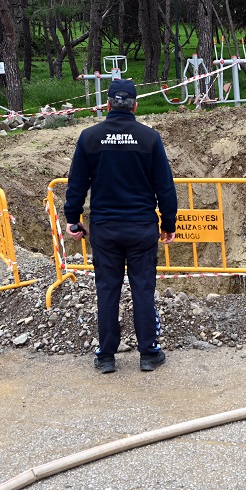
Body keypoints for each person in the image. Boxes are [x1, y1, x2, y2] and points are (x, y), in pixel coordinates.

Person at [64, 79, 177, 373]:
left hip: (105, 228)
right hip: (141, 227)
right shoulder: (149, 138)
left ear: (108, 104)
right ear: (136, 106)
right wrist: (168, 223)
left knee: (107, 290)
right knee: (142, 289)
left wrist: (73, 219)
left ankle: (106, 357)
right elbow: (164, 186)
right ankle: (149, 353)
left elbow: (77, 183)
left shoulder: (89, 138)